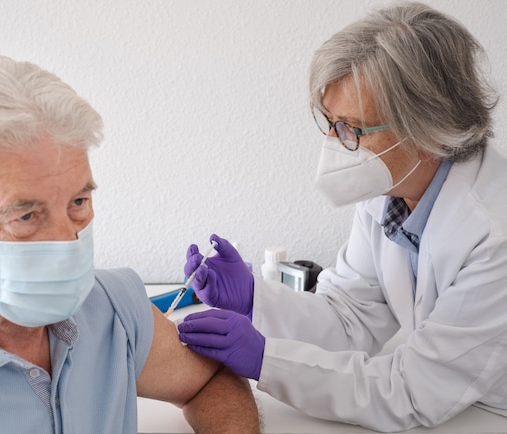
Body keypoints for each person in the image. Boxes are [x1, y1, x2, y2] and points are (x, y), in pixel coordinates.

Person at [0, 53, 260, 433]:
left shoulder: (113, 307)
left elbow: (209, 383)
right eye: (26, 216)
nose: (66, 243)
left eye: (78, 203)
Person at [177, 2, 507, 432]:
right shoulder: (391, 189)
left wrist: (265, 360)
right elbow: (349, 318)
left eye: (352, 128)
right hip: (453, 405)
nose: (336, 144)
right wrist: (254, 298)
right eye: (329, 122)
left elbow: (411, 390)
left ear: (429, 131)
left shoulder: (493, 234)